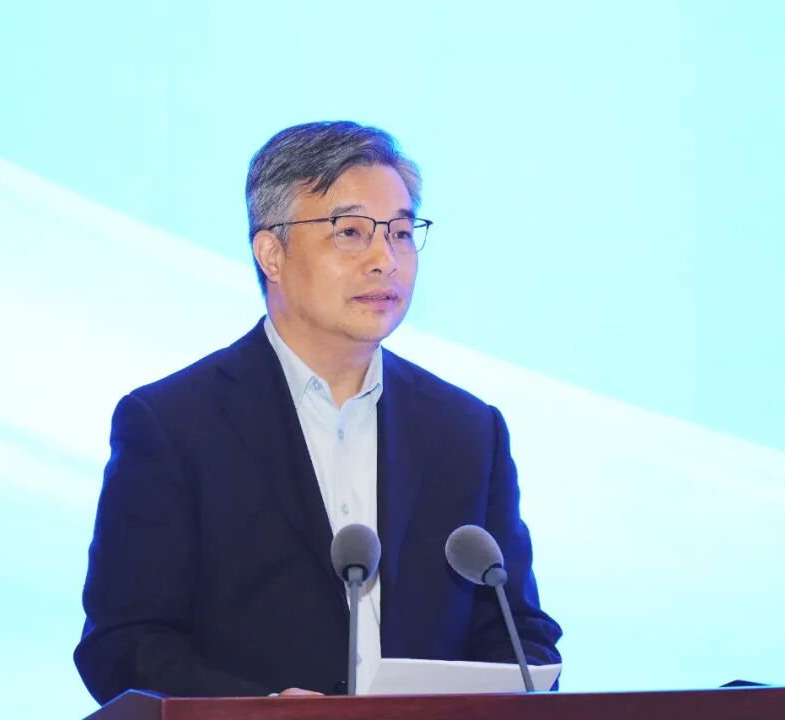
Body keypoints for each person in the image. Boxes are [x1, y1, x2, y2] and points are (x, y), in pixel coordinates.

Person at [74, 121, 562, 702]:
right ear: (272, 253)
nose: (385, 259)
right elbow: (124, 645)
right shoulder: (174, 425)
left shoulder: (468, 431)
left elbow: (517, 634)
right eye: (351, 232)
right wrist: (261, 714)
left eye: (401, 232)